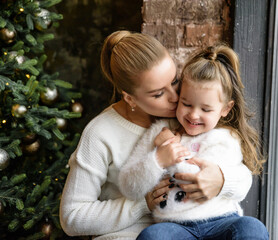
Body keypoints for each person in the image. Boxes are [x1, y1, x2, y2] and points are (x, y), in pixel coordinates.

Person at [59, 31, 230, 239]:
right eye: (159, 94)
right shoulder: (100, 133)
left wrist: (222, 180)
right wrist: (142, 204)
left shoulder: (188, 116)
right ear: (130, 99)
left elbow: (239, 162)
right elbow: (71, 218)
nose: (175, 97)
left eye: (174, 81)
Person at [118, 44, 269, 240]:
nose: (193, 115)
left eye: (206, 109)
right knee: (152, 236)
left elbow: (193, 178)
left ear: (225, 108)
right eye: (186, 104)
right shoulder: (160, 130)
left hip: (220, 222)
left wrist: (170, 150)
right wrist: (156, 160)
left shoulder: (225, 138)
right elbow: (128, 185)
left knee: (251, 227)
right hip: (175, 226)